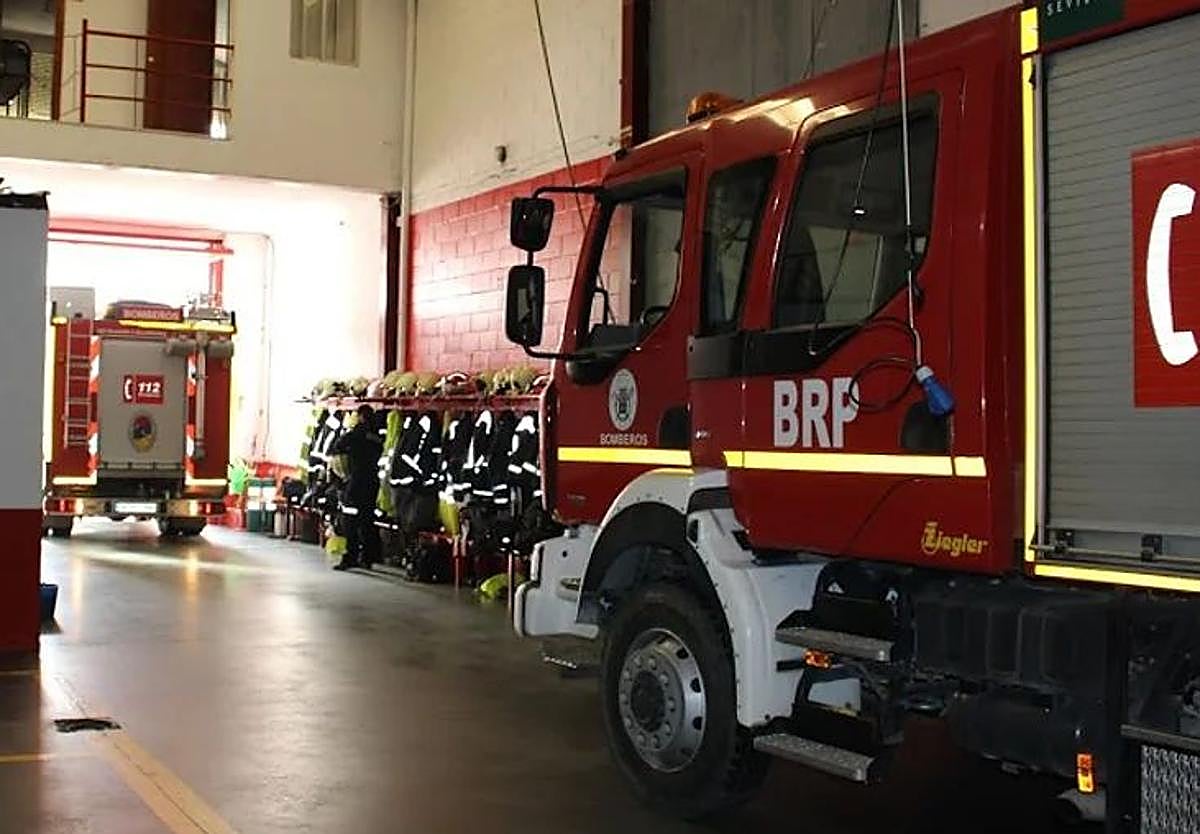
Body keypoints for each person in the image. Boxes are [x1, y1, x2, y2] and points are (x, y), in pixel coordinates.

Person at [330, 404, 382, 570]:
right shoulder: (377, 436)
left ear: (360, 417)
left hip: (356, 482)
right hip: (372, 483)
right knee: (368, 521)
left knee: (350, 521)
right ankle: (368, 558)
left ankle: (350, 557)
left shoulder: (354, 434)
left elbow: (337, 447)